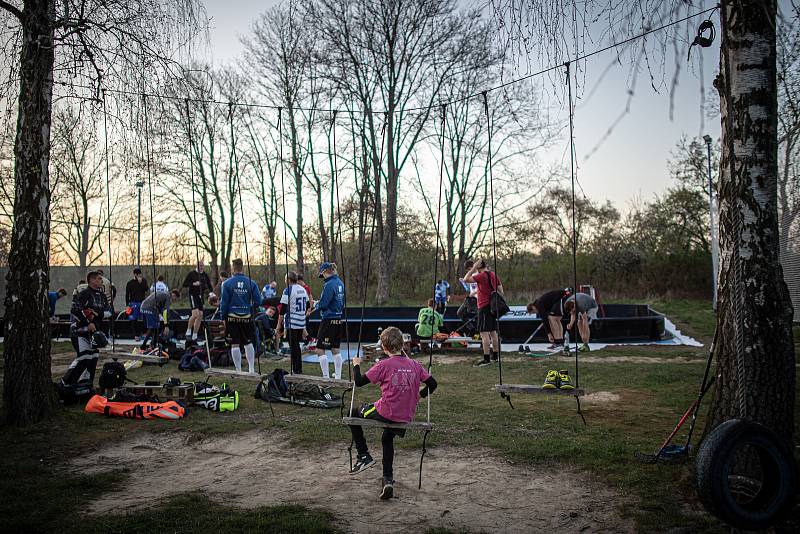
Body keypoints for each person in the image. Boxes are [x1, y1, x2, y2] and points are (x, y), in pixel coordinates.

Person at [347, 327, 438, 500]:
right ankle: (387, 480)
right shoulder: (415, 365)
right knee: (387, 438)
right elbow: (433, 385)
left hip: (386, 412)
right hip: (405, 415)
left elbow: (358, 382)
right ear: (402, 344)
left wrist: (356, 364)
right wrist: (419, 395)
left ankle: (363, 455)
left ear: (384, 348)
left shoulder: (383, 365)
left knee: (353, 412)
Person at [61, 271, 110, 386]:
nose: (101, 281)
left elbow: (109, 312)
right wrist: (87, 322)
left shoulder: (102, 296)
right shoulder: (84, 294)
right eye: (99, 279)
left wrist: (97, 313)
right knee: (84, 357)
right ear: (92, 280)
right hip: (79, 332)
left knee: (93, 358)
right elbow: (74, 310)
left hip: (95, 333)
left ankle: (86, 385)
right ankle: (65, 384)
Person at [220, 258, 262, 374]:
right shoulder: (251, 283)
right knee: (248, 342)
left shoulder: (226, 284)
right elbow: (258, 301)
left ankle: (238, 370)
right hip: (246, 316)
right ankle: (251, 369)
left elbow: (224, 303)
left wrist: (223, 317)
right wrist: (249, 307)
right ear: (242, 267)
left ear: (233, 268)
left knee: (235, 343)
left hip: (232, 317)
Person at [464, 259, 504, 367]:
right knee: (493, 332)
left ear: (479, 265)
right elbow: (501, 291)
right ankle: (495, 357)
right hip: (492, 307)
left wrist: (473, 268)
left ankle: (486, 359)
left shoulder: (482, 276)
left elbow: (466, 279)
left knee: (484, 334)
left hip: (483, 306)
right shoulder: (493, 275)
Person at [316, 262, 346, 379]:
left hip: (328, 319)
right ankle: (337, 377)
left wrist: (316, 304)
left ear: (324, 272)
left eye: (322, 274)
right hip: (338, 318)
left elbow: (324, 304)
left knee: (319, 349)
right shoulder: (340, 283)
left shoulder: (329, 284)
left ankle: (326, 377)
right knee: (335, 348)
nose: (322, 277)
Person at [276, 271, 309, 375]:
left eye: (285, 279)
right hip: (301, 322)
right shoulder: (302, 289)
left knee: (293, 347)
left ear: (289, 280)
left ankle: (296, 370)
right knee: (296, 346)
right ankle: (298, 368)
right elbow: (308, 305)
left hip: (292, 322)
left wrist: (278, 325)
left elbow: (283, 309)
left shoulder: (288, 290)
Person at [183, 260, 212, 342]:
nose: (201, 267)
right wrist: (193, 284)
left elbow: (209, 285)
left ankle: (195, 335)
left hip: (201, 296)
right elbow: (184, 284)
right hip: (193, 295)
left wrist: (211, 293)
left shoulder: (205, 275)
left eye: (202, 265)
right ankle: (188, 331)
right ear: (197, 266)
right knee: (195, 314)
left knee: (200, 315)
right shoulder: (192, 274)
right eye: (200, 265)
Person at [125, 268, 148, 337]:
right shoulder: (130, 283)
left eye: (140, 274)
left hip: (142, 303)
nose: (139, 276)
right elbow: (127, 294)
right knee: (133, 319)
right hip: (133, 303)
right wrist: (127, 305)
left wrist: (141, 283)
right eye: (137, 274)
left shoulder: (143, 281)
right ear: (134, 274)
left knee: (144, 318)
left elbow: (146, 289)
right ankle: (136, 335)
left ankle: (144, 332)